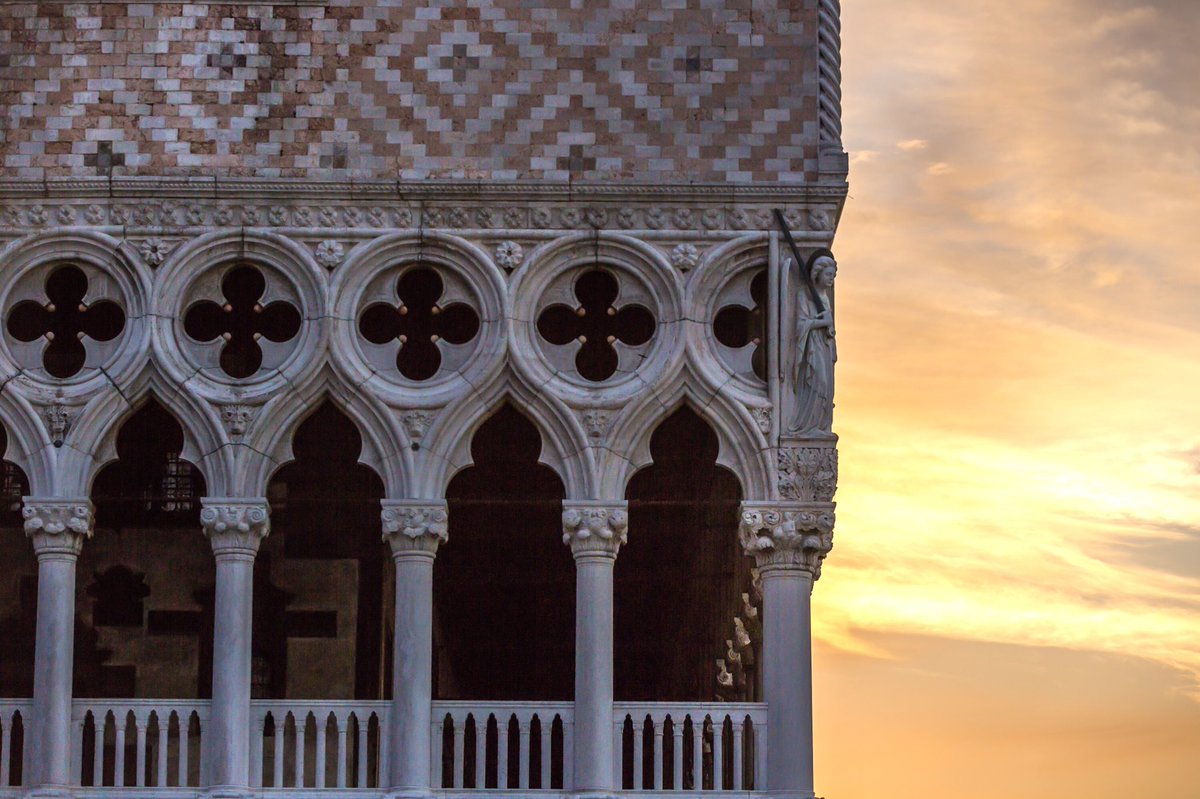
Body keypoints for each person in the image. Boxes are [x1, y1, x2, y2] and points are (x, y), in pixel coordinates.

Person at [787, 255, 837, 434]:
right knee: (817, 382)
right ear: (817, 274)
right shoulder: (804, 294)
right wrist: (822, 323)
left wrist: (829, 328)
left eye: (833, 275)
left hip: (824, 347)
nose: (831, 279)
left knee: (826, 387)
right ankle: (808, 425)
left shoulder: (825, 297)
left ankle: (819, 424)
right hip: (811, 347)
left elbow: (828, 326)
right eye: (828, 275)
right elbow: (800, 325)